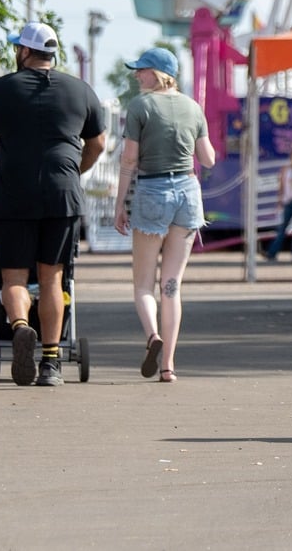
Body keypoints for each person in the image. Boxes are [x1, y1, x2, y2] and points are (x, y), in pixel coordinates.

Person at [0, 21, 107, 388]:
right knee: (52, 278)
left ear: (25, 52)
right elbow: (98, 144)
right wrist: (73, 171)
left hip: (14, 193)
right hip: (62, 194)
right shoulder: (80, 91)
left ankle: (19, 328)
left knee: (13, 276)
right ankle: (50, 363)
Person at [112, 47, 216, 382]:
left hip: (153, 192)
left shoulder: (140, 106)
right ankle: (168, 366)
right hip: (187, 192)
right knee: (171, 285)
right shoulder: (193, 106)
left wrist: (120, 204)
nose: (136, 75)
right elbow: (209, 159)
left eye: (141, 70)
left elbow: (129, 160)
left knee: (143, 284)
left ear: (157, 73)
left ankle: (152, 336)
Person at [264, 149, 292, 264]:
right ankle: (272, 252)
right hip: (289, 202)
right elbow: (281, 187)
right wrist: (279, 201)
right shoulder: (286, 170)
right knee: (282, 229)